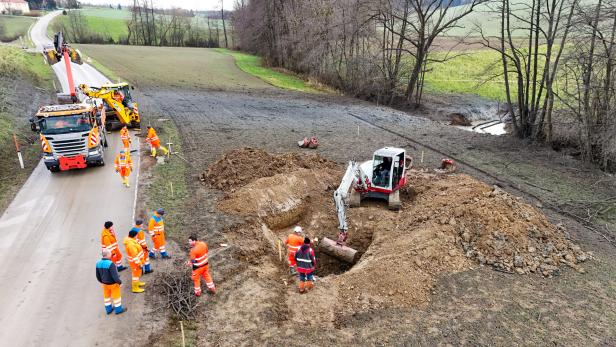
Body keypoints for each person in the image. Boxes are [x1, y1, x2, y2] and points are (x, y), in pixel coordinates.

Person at [96, 249, 126, 315]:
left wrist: (102, 281)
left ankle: (108, 310)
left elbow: (97, 276)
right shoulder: (111, 264)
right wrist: (120, 282)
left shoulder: (98, 263)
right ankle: (118, 310)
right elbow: (115, 276)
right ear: (107, 255)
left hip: (104, 284)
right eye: (110, 254)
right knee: (116, 297)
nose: (111, 255)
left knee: (107, 297)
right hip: (113, 284)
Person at [123, 229, 145, 293]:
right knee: (135, 275)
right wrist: (139, 264)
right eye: (136, 235)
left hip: (136, 262)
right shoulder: (131, 245)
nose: (137, 237)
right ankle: (135, 288)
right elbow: (134, 256)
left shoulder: (132, 241)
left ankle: (137, 283)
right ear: (134, 236)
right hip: (135, 263)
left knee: (137, 273)